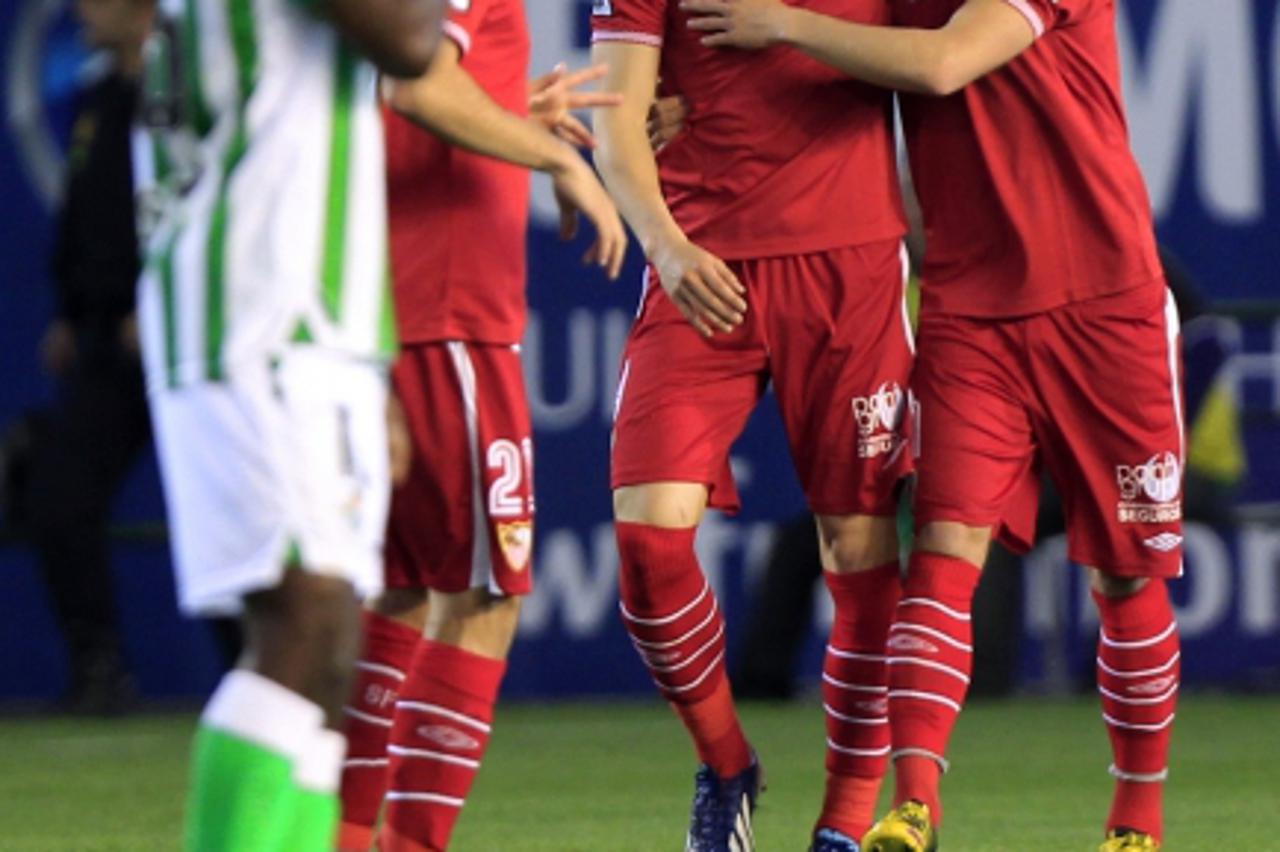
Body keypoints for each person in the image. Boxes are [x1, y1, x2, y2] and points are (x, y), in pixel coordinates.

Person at [684, 1, 1184, 850]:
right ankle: (915, 809)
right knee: (943, 558)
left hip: (1105, 303)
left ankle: (1136, 823)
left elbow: (944, 61)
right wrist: (687, 111)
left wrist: (786, 25)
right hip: (969, 309)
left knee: (1127, 577)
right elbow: (814, 84)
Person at [590, 1, 916, 847]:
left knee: (859, 547)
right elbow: (616, 120)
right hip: (700, 266)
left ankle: (844, 824)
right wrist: (663, 245)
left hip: (851, 269)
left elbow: (939, 60)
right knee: (646, 545)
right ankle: (728, 763)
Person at [132, 0, 442, 848]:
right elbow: (413, 43)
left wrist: (368, 360)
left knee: (334, 643)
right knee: (302, 621)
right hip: (256, 310)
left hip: (311, 316)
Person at [332, 1, 627, 846]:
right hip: (446, 313)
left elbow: (404, 90)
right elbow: (417, 84)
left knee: (401, 588)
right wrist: (558, 162)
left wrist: (506, 110)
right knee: (484, 595)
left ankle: (348, 836)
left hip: (394, 308)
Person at [22, 0, 155, 716]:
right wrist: (73, 314)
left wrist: (160, 301)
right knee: (58, 497)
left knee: (227, 512)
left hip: (183, 337)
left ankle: (263, 675)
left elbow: (194, 202)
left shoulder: (184, 93)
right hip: (105, 340)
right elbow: (87, 211)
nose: (82, 9)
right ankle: (98, 668)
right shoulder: (99, 95)